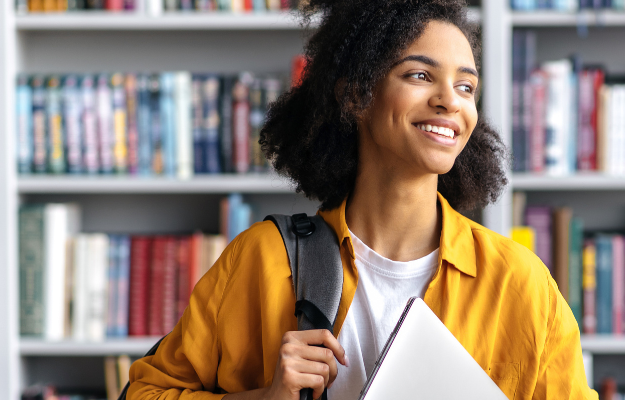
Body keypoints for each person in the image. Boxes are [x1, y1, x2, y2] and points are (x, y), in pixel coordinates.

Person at [128, 0, 597, 399]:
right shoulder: (261, 261)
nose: (450, 102)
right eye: (419, 74)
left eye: (466, 86)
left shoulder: (520, 285)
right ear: (356, 93)